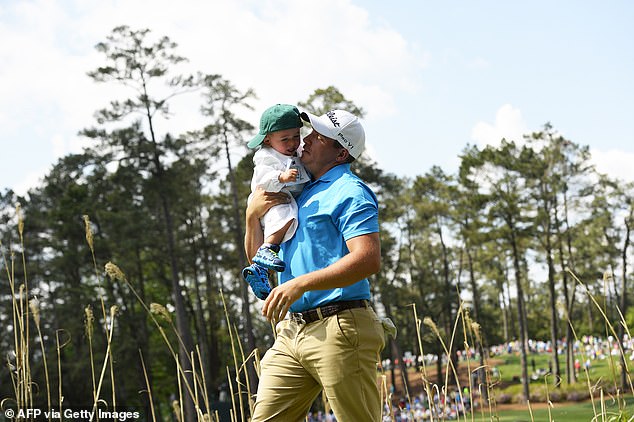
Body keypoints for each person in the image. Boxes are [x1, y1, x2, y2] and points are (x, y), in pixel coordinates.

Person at [244, 109, 387, 421]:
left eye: (318, 138)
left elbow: (367, 258)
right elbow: (259, 260)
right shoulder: (299, 191)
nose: (305, 141)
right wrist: (251, 217)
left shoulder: (350, 190)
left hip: (340, 327)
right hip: (291, 332)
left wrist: (300, 283)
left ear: (340, 152)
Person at [242, 104, 310, 300]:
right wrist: (281, 177)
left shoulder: (295, 151)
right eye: (285, 139)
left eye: (296, 136)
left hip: (280, 200)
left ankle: (260, 272)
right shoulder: (266, 156)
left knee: (288, 217)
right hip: (273, 200)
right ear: (268, 140)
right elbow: (263, 179)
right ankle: (267, 249)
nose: (292, 143)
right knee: (288, 216)